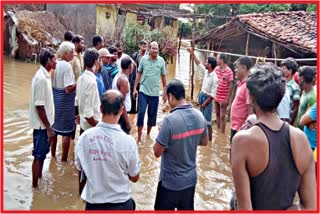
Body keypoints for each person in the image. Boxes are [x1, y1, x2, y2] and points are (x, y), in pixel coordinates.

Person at [231, 63, 316, 210]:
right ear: (281, 95)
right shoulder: (300, 138)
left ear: (251, 97)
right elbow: (310, 207)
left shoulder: (242, 140)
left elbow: (244, 208)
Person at [75, 90, 141, 210]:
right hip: (121, 205)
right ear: (121, 110)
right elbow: (134, 177)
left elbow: (80, 170)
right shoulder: (128, 142)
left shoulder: (84, 138)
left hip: (93, 205)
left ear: (100, 108)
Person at [153, 79, 208, 210]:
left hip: (169, 183)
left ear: (171, 96)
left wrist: (161, 134)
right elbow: (205, 142)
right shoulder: (200, 116)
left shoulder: (169, 121)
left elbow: (156, 152)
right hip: (190, 181)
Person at [29, 48, 56, 188]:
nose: (56, 61)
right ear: (48, 61)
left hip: (44, 125)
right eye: (54, 59)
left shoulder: (45, 75)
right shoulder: (41, 79)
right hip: (42, 126)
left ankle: (38, 180)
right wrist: (49, 128)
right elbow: (39, 107)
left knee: (42, 156)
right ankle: (35, 188)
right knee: (38, 157)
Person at [76, 48, 102, 194]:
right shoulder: (92, 82)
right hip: (91, 128)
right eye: (98, 61)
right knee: (89, 166)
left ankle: (82, 195)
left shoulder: (81, 78)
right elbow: (89, 114)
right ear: (95, 62)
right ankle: (85, 196)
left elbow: (80, 104)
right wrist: (101, 127)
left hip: (84, 128)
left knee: (83, 164)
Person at [133, 41, 167, 143]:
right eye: (153, 48)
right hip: (143, 91)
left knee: (152, 115)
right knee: (141, 113)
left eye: (157, 49)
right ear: (149, 49)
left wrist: (165, 92)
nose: (155, 50)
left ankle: (147, 135)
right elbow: (139, 74)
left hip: (155, 93)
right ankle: (139, 137)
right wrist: (135, 88)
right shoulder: (143, 59)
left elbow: (164, 77)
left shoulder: (161, 61)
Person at [51, 41, 76, 162]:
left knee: (55, 130)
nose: (73, 54)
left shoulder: (55, 64)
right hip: (65, 102)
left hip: (55, 99)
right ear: (66, 54)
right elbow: (67, 89)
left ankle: (53, 156)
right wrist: (77, 83)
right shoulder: (66, 66)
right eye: (72, 52)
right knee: (66, 132)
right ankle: (64, 160)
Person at [187, 47, 218, 141]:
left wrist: (205, 103)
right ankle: (202, 138)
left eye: (207, 62)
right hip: (202, 96)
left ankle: (210, 140)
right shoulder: (206, 72)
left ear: (210, 65)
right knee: (201, 120)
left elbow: (213, 95)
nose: (205, 63)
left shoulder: (214, 78)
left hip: (207, 100)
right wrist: (192, 54)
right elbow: (198, 63)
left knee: (208, 122)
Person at [230, 56, 253, 143]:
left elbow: (250, 111)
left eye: (237, 67)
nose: (235, 70)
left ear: (244, 68)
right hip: (235, 126)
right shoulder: (240, 83)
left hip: (241, 129)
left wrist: (246, 131)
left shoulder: (247, 86)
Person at [69, 35, 85, 140]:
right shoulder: (71, 58)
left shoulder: (81, 56)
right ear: (75, 44)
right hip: (72, 94)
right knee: (72, 122)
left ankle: (77, 144)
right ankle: (71, 144)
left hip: (80, 93)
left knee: (81, 119)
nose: (83, 45)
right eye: (82, 43)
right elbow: (69, 78)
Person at [112, 57, 133, 134]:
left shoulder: (118, 75)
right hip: (122, 115)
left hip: (118, 112)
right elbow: (122, 102)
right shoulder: (123, 80)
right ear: (130, 67)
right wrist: (127, 122)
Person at [214, 53, 234, 134]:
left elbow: (231, 85)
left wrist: (227, 99)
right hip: (216, 96)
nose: (217, 60)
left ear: (222, 60)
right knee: (217, 114)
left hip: (223, 97)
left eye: (218, 58)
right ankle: (218, 131)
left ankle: (222, 133)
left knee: (223, 116)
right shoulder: (216, 69)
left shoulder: (229, 71)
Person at [129, 40, 148, 114]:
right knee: (133, 98)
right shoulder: (134, 55)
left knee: (142, 99)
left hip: (144, 81)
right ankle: (132, 116)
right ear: (139, 46)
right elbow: (131, 68)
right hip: (134, 80)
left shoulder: (148, 56)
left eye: (146, 46)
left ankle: (139, 115)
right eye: (143, 46)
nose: (144, 48)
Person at [280, 58, 300, 125]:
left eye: (284, 69)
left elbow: (296, 107)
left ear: (290, 71)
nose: (282, 70)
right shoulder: (281, 83)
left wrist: (291, 122)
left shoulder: (295, 87)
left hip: (288, 119)